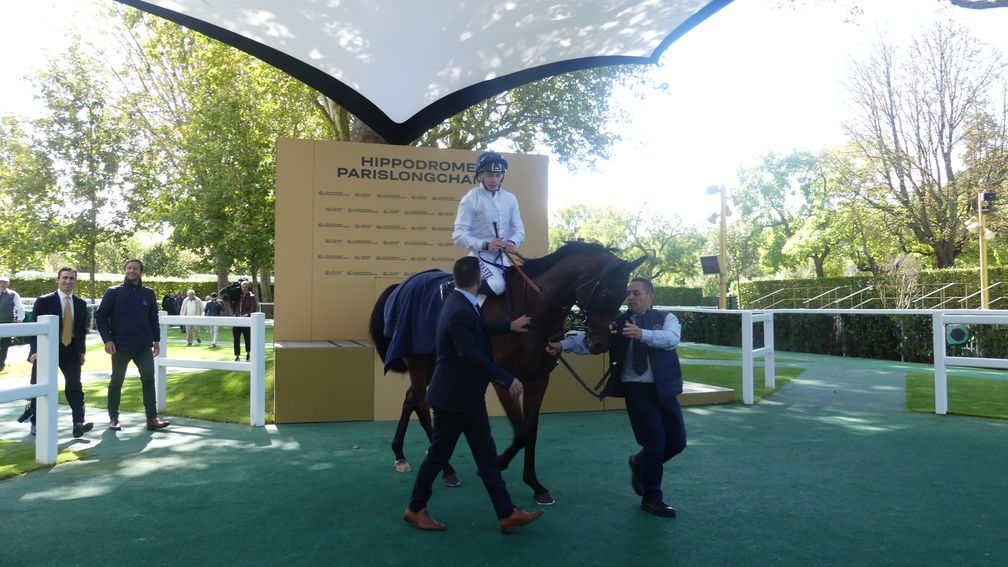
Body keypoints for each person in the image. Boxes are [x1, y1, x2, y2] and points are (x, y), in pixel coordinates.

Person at [403, 256, 543, 534]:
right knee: (438, 457)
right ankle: (415, 509)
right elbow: (470, 354)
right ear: (479, 280)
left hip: (468, 398)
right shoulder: (460, 310)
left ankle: (507, 513)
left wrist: (508, 325)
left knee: (487, 458)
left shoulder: (462, 304)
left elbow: (475, 332)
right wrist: (506, 377)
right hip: (453, 401)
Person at [546, 277, 685, 518]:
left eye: (636, 293)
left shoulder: (667, 318)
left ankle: (639, 463)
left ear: (650, 297)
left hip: (665, 390)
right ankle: (652, 498)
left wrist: (643, 334)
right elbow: (590, 342)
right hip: (637, 390)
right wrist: (562, 346)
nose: (630, 297)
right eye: (628, 293)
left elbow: (672, 340)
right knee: (655, 444)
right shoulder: (618, 323)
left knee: (677, 443)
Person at [95, 259, 170, 431]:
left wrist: (156, 341)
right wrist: (107, 340)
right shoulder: (113, 292)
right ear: (124, 270)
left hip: (143, 347)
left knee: (149, 380)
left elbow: (153, 319)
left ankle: (152, 419)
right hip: (120, 347)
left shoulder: (148, 293)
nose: (131, 271)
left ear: (140, 271)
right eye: (129, 268)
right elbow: (101, 317)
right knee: (116, 381)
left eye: (135, 268)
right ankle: (113, 418)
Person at [25, 268, 92, 437]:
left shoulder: (81, 303)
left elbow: (81, 331)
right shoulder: (44, 301)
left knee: (75, 387)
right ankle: (35, 422)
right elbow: (34, 328)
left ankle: (78, 423)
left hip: (71, 352)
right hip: (46, 351)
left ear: (75, 281)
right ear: (58, 279)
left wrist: (81, 352)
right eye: (65, 278)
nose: (68, 281)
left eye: (71, 278)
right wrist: (34, 352)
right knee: (39, 387)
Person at [451, 151, 526, 296]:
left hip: (502, 256)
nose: (494, 180)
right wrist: (485, 244)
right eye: (490, 175)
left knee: (517, 284)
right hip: (480, 256)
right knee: (498, 286)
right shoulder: (471, 198)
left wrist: (512, 242)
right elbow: (458, 235)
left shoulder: (510, 199)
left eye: (498, 175)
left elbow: (519, 230)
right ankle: (456, 289)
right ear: (480, 175)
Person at [0, 275, 27, 372]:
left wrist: (20, 319)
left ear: (8, 284)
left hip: (7, 323)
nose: (2, 284)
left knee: (4, 345)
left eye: (4, 282)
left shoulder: (13, 294)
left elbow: (20, 307)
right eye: (1, 282)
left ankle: (1, 364)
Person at [230, 280, 257, 362]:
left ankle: (248, 353)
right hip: (237, 321)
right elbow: (233, 305)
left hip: (247, 322)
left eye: (246, 286)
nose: (244, 288)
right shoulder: (238, 296)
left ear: (248, 287)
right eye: (243, 286)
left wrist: (245, 315)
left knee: (248, 338)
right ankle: (237, 355)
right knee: (236, 339)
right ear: (240, 287)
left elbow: (253, 309)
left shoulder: (251, 297)